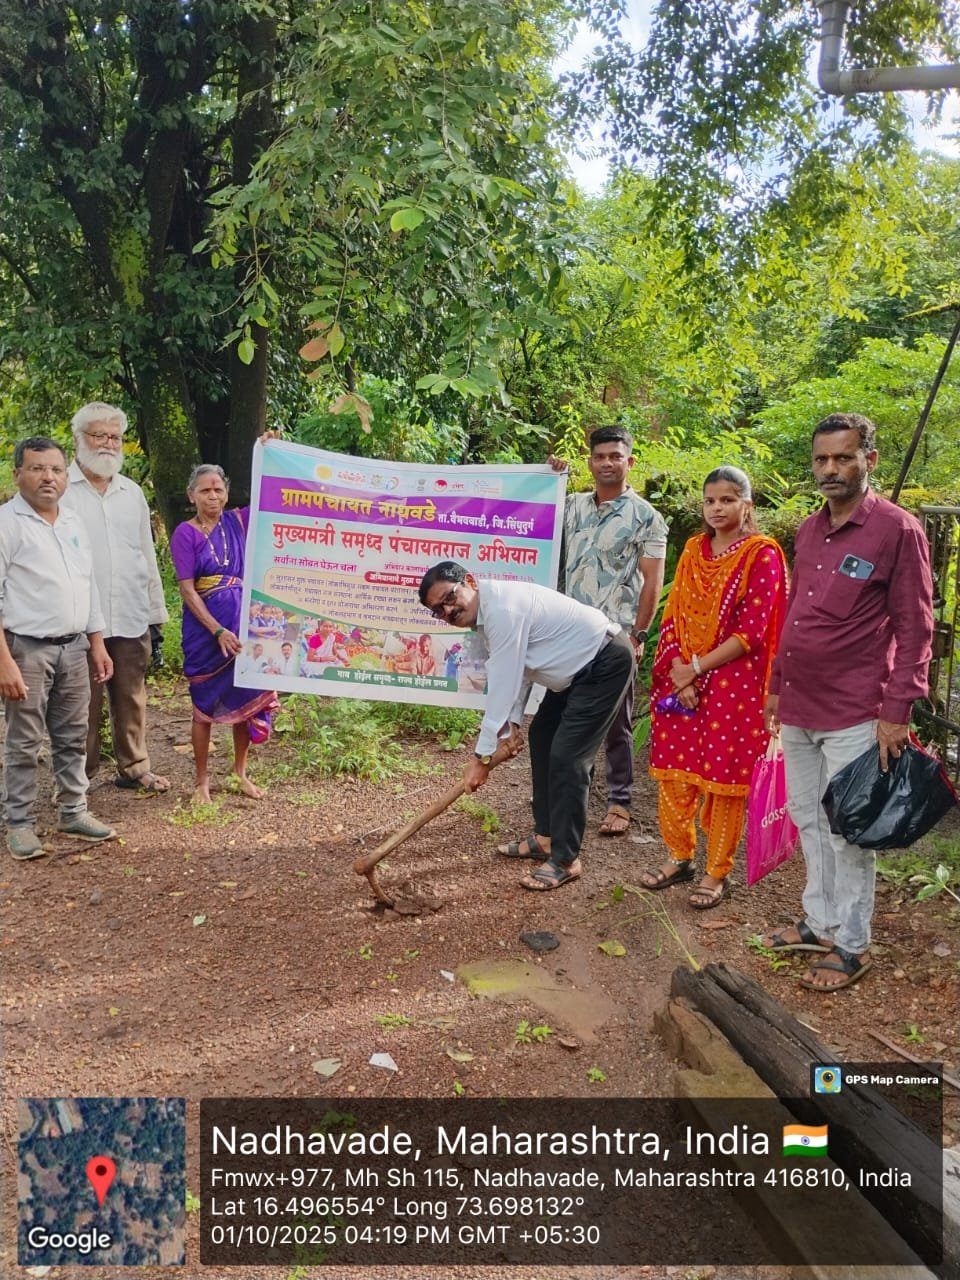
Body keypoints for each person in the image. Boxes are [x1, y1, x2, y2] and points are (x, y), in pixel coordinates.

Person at [762, 413, 934, 991]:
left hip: (858, 710)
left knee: (849, 827)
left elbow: (916, 628)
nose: (830, 470)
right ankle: (819, 920)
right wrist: (778, 685)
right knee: (807, 818)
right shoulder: (810, 530)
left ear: (870, 460)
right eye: (821, 460)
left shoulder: (897, 530)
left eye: (843, 458)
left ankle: (853, 943)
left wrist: (897, 709)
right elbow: (795, 618)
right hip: (802, 705)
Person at [418, 562, 634, 891]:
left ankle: (565, 858)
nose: (448, 610)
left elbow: (504, 683)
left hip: (605, 661)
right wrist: (514, 723)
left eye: (450, 597)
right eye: (438, 610)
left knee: (568, 758)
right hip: (575, 672)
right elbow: (518, 671)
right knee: (542, 736)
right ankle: (546, 838)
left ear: (470, 581)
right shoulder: (487, 615)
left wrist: (481, 758)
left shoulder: (502, 608)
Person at [643, 467, 788, 909]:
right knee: (674, 772)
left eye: (727, 500)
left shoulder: (762, 555)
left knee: (724, 779)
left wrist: (696, 669)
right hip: (683, 676)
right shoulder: (692, 550)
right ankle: (680, 855)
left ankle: (715, 871)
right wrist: (678, 673)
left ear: (747, 504)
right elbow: (674, 616)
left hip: (734, 686)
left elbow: (753, 632)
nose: (717, 509)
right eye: (710, 501)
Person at [0, 438, 117, 858]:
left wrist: (97, 643)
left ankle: (73, 810)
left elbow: (88, 587)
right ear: (18, 474)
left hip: (74, 648)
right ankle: (20, 823)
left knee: (73, 736)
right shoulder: (7, 524)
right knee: (24, 742)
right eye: (37, 468)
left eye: (56, 469)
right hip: (26, 650)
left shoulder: (72, 523)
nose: (48, 477)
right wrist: (5, 664)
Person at [552, 425, 667, 835]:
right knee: (561, 714)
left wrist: (638, 635)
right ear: (590, 461)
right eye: (599, 456)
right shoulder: (572, 506)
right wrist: (550, 476)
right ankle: (561, 792)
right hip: (565, 631)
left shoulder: (647, 517)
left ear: (629, 461)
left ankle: (619, 801)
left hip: (614, 637)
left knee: (617, 720)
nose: (607, 463)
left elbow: (652, 582)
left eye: (615, 456)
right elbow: (535, 518)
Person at [61, 401, 170, 793]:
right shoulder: (61, 491)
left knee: (132, 694)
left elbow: (145, 553)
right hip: (77, 620)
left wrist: (156, 615)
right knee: (80, 703)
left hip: (129, 611)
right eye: (99, 435)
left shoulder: (132, 493)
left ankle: (134, 766)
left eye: (115, 437)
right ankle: (78, 777)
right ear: (80, 440)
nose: (108, 444)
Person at [170, 463, 279, 802]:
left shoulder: (238, 522)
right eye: (205, 490)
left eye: (218, 489)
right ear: (192, 495)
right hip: (206, 632)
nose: (212, 495)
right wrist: (217, 631)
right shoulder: (184, 534)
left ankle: (239, 773)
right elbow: (188, 591)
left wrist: (270, 451)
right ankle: (201, 781)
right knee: (204, 705)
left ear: (227, 493)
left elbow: (271, 493)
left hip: (243, 625)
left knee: (243, 699)